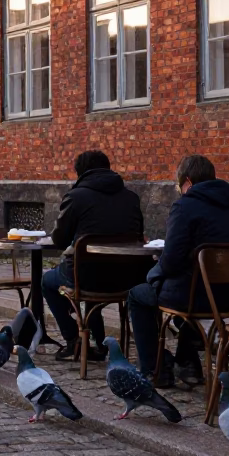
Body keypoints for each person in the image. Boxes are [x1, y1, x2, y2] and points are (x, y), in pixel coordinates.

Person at [128, 155, 229, 386]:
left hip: (196, 296)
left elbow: (170, 262)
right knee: (187, 286)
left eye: (179, 185)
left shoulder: (185, 206)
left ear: (187, 182)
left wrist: (153, 274)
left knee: (139, 295)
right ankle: (188, 362)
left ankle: (156, 369)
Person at [41, 151, 144, 362]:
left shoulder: (76, 196)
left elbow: (59, 240)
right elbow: (137, 237)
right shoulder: (131, 198)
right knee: (90, 274)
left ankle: (73, 340)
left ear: (80, 173)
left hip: (85, 276)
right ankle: (98, 342)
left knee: (47, 281)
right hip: (125, 279)